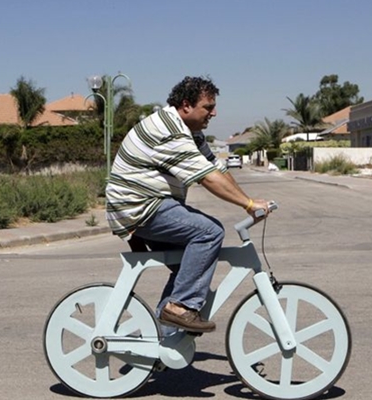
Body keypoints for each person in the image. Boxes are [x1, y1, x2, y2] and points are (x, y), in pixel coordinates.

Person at [105, 76, 270, 333]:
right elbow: (207, 179)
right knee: (209, 232)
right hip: (141, 207)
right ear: (186, 105)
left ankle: (165, 337)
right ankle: (179, 306)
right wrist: (247, 204)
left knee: (187, 267)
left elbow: (216, 168)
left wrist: (249, 201)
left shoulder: (192, 134)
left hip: (148, 205)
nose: (214, 112)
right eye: (208, 106)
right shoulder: (170, 129)